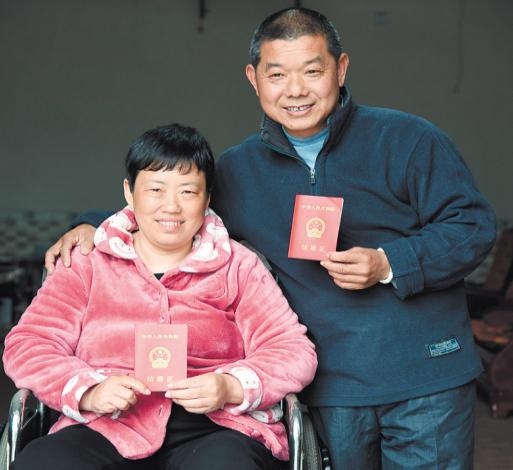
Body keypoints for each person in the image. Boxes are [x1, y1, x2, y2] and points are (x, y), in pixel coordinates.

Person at [44, 8, 497, 470]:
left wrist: (388, 262)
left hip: (425, 377)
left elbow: (473, 226)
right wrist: (93, 224)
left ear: (340, 69)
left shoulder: (407, 140)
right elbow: (175, 208)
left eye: (312, 71)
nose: (295, 90)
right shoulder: (239, 169)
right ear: (254, 79)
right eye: (277, 74)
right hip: (332, 386)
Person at [3, 123, 317, 470]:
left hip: (216, 427)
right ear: (129, 192)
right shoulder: (87, 263)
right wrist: (89, 391)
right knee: (44, 462)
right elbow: (29, 344)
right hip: (106, 423)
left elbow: (292, 350)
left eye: (188, 192)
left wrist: (230, 387)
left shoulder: (238, 265)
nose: (171, 207)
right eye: (155, 189)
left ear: (207, 198)